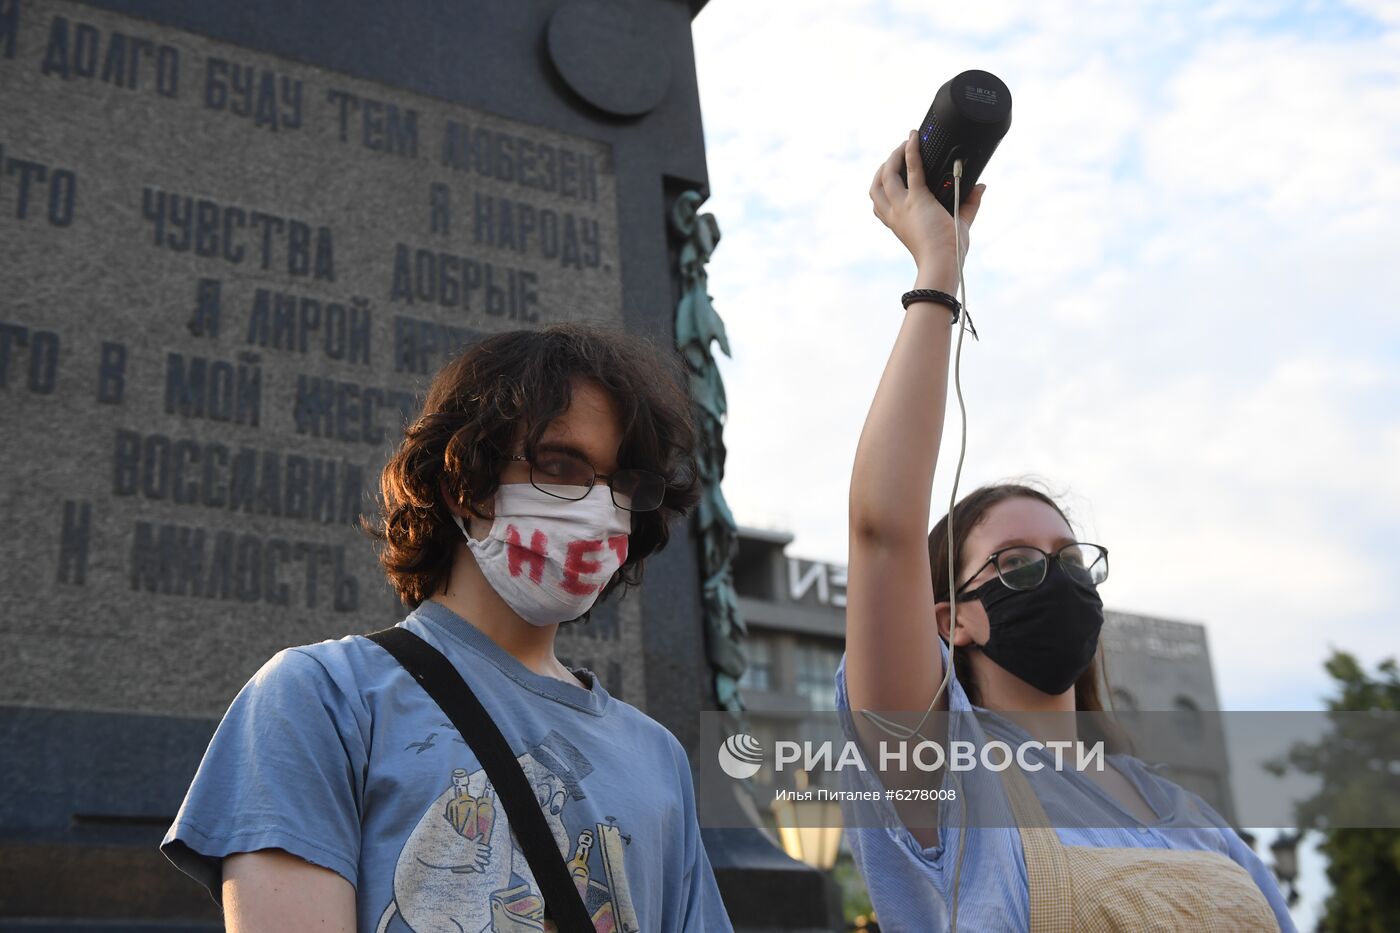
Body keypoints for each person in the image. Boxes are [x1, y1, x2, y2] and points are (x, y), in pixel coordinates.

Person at [836, 132, 1297, 931]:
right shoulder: (943, 778)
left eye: (1070, 559)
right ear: (953, 619)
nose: (1057, 578)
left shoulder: (1188, 813)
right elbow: (883, 530)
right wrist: (938, 272)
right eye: (1015, 563)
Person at [162, 324, 733, 932]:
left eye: (621, 483)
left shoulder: (659, 757)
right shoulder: (321, 698)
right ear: (463, 485)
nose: (598, 506)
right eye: (560, 465)